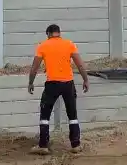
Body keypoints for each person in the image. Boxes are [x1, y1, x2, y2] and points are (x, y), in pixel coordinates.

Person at [27, 24, 89, 155]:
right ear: (59, 33)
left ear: (48, 34)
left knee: (45, 114)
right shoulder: (69, 44)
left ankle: (43, 145)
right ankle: (76, 144)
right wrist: (86, 80)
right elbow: (80, 64)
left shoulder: (43, 45)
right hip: (68, 83)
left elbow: (34, 68)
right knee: (72, 114)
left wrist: (30, 83)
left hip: (52, 84)